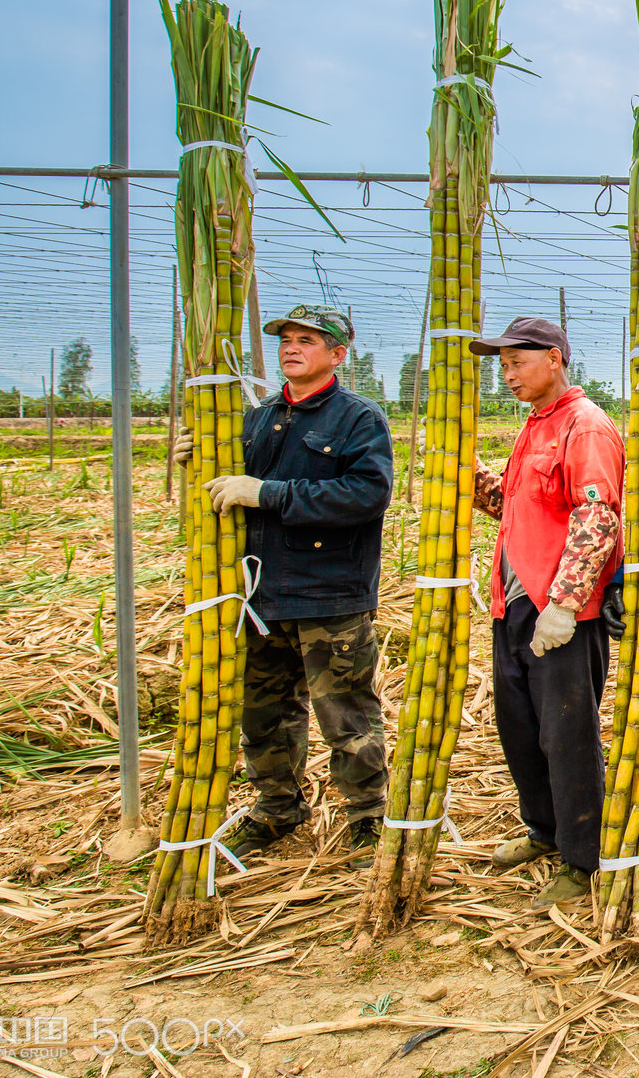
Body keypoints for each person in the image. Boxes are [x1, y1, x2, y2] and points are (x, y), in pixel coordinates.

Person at [168, 304, 393, 863]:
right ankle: (277, 808)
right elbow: (225, 492)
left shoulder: (356, 419)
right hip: (258, 594)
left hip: (329, 592)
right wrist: (195, 465)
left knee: (346, 714)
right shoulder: (255, 418)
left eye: (308, 340)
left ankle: (368, 816)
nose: (292, 348)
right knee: (264, 714)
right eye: (286, 339)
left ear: (337, 355)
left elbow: (366, 495)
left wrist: (267, 493)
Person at [469, 317, 625, 908]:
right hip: (511, 602)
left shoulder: (585, 427)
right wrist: (468, 474)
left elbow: (597, 517)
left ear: (556, 358)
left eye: (517, 362)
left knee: (567, 736)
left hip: (558, 612)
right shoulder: (534, 426)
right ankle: (544, 830)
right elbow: (516, 508)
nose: (506, 374)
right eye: (502, 365)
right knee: (521, 729)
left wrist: (563, 603)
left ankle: (580, 858)